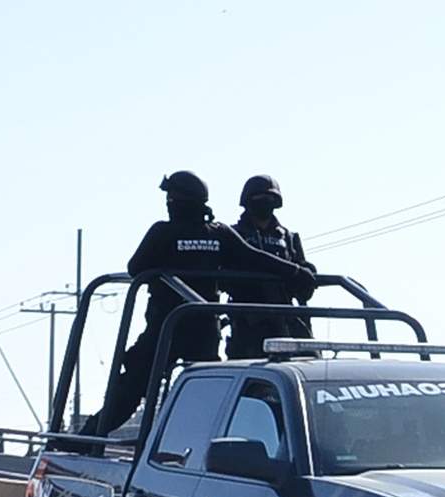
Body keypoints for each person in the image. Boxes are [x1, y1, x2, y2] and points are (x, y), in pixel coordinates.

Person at [80, 172, 314, 435]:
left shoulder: (163, 232)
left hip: (168, 327)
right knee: (198, 391)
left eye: (172, 198)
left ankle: (88, 438)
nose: (169, 203)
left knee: (136, 387)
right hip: (198, 330)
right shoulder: (218, 233)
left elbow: (136, 267)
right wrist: (295, 271)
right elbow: (254, 257)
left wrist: (297, 270)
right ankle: (101, 438)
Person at [225, 175, 317, 360]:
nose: (265, 203)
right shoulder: (233, 235)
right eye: (259, 198)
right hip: (248, 321)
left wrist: (306, 272)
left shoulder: (288, 237)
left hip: (286, 318)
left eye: (270, 199)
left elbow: (304, 285)